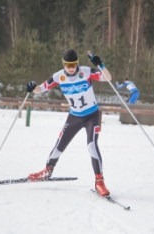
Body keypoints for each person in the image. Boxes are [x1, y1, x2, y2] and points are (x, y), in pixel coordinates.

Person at [26, 49, 112, 197]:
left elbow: (107, 78)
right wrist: (33, 87)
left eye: (73, 64)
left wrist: (100, 64)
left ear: (77, 63)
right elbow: (41, 89)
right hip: (74, 117)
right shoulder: (58, 76)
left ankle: (99, 181)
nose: (71, 68)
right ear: (64, 64)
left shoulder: (85, 72)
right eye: (68, 65)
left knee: (92, 146)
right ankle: (47, 171)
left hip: (92, 115)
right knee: (58, 146)